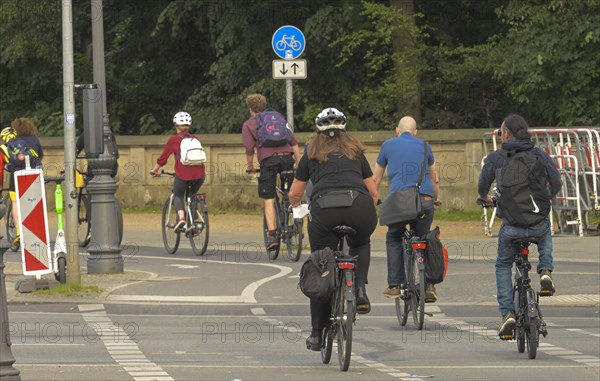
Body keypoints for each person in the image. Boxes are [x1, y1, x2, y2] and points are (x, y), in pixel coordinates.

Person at [288, 107, 378, 351]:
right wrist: (371, 206)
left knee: (321, 264)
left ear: (318, 131)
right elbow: (372, 190)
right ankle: (359, 289)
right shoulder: (356, 152)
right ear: (344, 130)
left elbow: (296, 192)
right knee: (361, 242)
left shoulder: (311, 152)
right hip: (358, 205)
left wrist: (295, 205)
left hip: (324, 210)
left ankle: (317, 335)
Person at [478, 114, 562, 338]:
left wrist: (485, 198)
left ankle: (508, 314)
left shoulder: (496, 158)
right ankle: (545, 270)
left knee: (503, 265)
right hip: (537, 222)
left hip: (512, 226)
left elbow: (482, 186)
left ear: (505, 134)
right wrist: (545, 198)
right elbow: (557, 182)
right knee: (545, 231)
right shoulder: (538, 155)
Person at [372, 116, 440, 302]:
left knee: (394, 236)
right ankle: (429, 285)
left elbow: (376, 179)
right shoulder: (426, 146)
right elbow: (434, 179)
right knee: (424, 238)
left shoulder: (387, 145)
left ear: (397, 131)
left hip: (399, 203)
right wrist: (435, 198)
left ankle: (395, 285)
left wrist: (373, 200)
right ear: (415, 132)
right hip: (424, 201)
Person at [242, 93, 301, 250]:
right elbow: (293, 142)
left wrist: (250, 166)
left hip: (268, 161)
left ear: (251, 109)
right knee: (291, 193)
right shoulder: (278, 118)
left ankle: (273, 235)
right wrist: (298, 162)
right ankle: (296, 223)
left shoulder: (249, 124)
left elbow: (249, 149)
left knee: (268, 198)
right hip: (287, 159)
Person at [150, 112, 205, 232]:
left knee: (178, 195)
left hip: (183, 174)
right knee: (192, 195)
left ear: (176, 125)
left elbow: (163, 159)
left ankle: (181, 219)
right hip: (200, 174)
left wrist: (154, 171)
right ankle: (194, 216)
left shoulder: (174, 140)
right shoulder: (195, 138)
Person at [0, 118, 44, 251]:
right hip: (34, 175)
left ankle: (19, 232)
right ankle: (37, 229)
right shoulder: (34, 139)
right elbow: (40, 156)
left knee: (15, 203)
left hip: (17, 176)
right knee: (35, 202)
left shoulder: (11, 144)